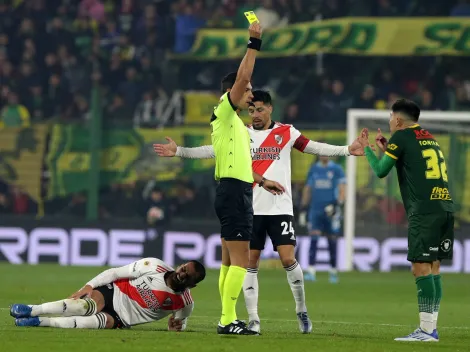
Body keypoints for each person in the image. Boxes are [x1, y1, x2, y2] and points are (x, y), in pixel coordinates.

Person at [154, 90, 366, 334]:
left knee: (288, 259)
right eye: (252, 110)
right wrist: (179, 151)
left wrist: (347, 150)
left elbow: (312, 147)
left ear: (270, 109)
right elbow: (212, 150)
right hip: (249, 208)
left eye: (260, 110)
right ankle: (253, 318)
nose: (255, 115)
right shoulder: (241, 133)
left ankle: (301, 308)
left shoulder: (286, 132)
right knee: (249, 263)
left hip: (280, 207)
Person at [358, 99, 454, 342]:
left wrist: (366, 149)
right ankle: (431, 328)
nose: (390, 121)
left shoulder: (401, 136)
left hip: (423, 211)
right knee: (433, 267)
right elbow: (411, 162)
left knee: (419, 268)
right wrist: (387, 147)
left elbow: (381, 171)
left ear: (398, 120)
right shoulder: (429, 137)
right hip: (443, 206)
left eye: (391, 117)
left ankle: (426, 330)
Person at [10, 257, 206, 331]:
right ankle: (32, 310)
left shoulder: (184, 303)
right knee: (84, 306)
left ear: (192, 285)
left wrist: (176, 329)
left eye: (188, 276)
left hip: (121, 318)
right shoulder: (153, 266)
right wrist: (88, 286)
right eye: (184, 268)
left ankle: (39, 322)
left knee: (89, 324)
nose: (182, 273)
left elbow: (179, 323)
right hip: (114, 292)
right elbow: (115, 273)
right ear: (181, 265)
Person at [299, 155, 346, 283]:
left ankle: (333, 272)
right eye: (321, 152)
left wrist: (338, 204)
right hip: (316, 210)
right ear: (319, 154)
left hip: (331, 211)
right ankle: (311, 271)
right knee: (314, 238)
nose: (324, 154)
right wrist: (303, 208)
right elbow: (308, 189)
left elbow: (343, 189)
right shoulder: (313, 169)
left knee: (332, 240)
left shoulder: (336, 169)